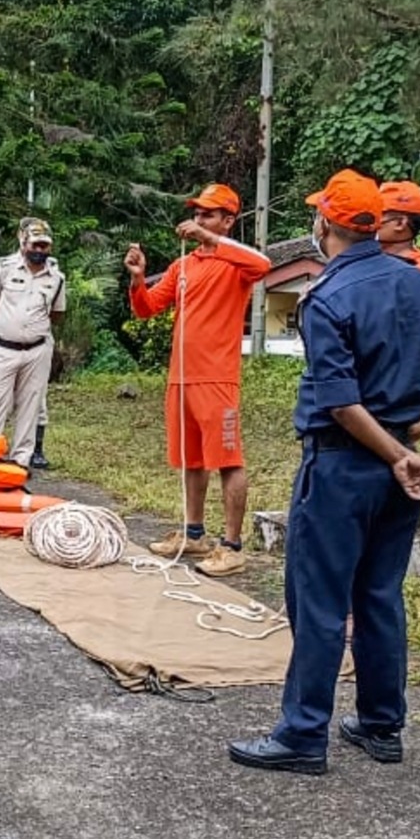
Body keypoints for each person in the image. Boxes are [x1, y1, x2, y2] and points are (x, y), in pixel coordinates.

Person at [228, 169, 420, 774]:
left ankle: (302, 735)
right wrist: (416, 428)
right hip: (399, 467)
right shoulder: (415, 282)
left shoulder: (328, 296)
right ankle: (381, 725)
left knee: (318, 600)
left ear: (325, 224)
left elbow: (341, 403)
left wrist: (399, 452)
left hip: (345, 465)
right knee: (378, 594)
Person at [124, 183, 271, 578]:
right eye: (198, 213)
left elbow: (263, 264)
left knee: (227, 459)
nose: (200, 219)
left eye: (209, 214)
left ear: (228, 220)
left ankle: (233, 546)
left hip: (217, 379)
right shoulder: (184, 266)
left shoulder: (237, 263)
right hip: (181, 379)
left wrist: (208, 238)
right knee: (192, 458)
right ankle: (194, 534)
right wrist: (138, 279)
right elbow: (148, 308)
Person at [0, 220, 66, 466]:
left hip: (37, 350)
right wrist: (9, 324)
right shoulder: (6, 267)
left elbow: (57, 314)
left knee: (30, 407)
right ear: (23, 243)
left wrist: (32, 327)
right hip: (4, 348)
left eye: (45, 246)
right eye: (35, 244)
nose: (40, 250)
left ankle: (19, 463)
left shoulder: (56, 276)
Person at [378, 180, 420, 369]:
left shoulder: (417, 275)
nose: (370, 223)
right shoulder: (386, 265)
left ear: (400, 223)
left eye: (377, 215)